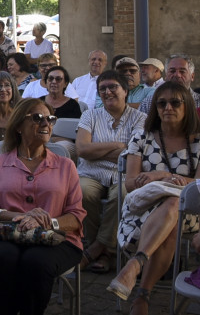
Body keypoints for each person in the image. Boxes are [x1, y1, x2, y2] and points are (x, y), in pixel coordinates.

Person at [0, 97, 86, 315]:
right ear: (18, 126)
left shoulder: (66, 166)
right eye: (37, 118)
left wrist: (46, 221)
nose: (46, 123)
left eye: (50, 118)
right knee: (3, 257)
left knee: (36, 262)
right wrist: (15, 217)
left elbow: (75, 215)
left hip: (56, 237)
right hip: (3, 233)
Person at [107, 82, 200, 315]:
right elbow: (130, 183)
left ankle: (137, 269)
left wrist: (162, 176)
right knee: (171, 217)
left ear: (187, 106)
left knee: (173, 206)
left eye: (175, 102)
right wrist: (170, 182)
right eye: (161, 103)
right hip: (142, 210)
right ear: (155, 108)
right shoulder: (141, 137)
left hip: (188, 214)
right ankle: (143, 295)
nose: (168, 107)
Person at [75, 70, 146, 275]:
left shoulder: (140, 118)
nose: (107, 92)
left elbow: (135, 155)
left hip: (125, 174)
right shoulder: (90, 115)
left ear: (125, 91)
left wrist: (97, 150)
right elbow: (82, 150)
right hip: (91, 173)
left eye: (113, 87)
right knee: (82, 191)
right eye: (102, 88)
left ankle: (97, 248)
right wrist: (118, 145)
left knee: (122, 194)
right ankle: (104, 250)